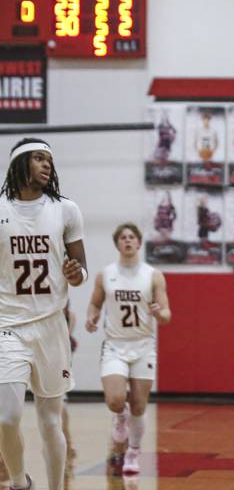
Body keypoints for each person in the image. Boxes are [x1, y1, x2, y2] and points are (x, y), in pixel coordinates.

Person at [0, 138, 88, 490]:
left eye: (49, 159)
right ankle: (20, 482)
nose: (47, 164)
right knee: (7, 416)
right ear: (19, 164)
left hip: (51, 325)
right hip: (7, 325)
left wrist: (75, 273)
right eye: (38, 158)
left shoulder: (66, 209)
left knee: (51, 422)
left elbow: (80, 267)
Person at [85, 222, 171, 476]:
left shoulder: (153, 275)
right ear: (117, 244)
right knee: (115, 400)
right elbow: (94, 304)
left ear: (139, 242)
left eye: (132, 237)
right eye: (123, 237)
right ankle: (118, 416)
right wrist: (91, 317)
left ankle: (133, 451)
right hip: (115, 345)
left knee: (139, 405)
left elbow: (167, 314)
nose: (128, 240)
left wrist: (159, 312)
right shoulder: (106, 274)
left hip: (143, 345)